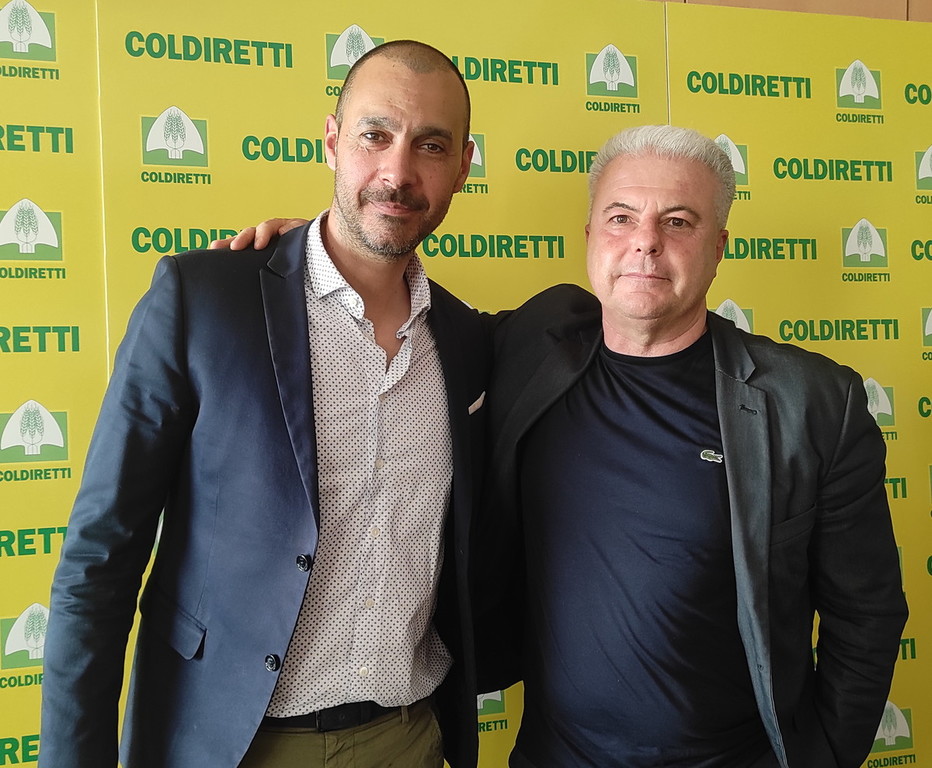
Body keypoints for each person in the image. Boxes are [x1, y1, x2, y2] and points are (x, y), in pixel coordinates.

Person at [229, 125, 907, 768]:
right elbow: (411, 313)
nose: (645, 244)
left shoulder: (812, 403)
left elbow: (867, 616)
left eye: (678, 222)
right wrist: (326, 255)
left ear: (719, 245)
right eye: (621, 218)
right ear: (590, 237)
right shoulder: (537, 343)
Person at [40, 40, 489, 768]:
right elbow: (100, 558)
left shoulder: (469, 342)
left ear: (464, 166)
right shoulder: (204, 300)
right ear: (332, 140)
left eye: (431, 146)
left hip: (410, 738)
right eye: (375, 135)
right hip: (226, 743)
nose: (397, 171)